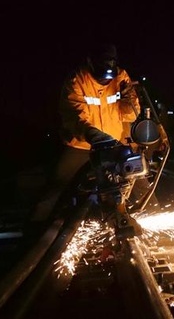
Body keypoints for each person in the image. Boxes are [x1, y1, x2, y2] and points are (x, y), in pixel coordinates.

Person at [29, 43, 141, 223]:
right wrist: (93, 135)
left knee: (137, 176)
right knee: (58, 186)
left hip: (113, 143)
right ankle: (37, 228)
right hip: (83, 144)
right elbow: (74, 118)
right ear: (90, 62)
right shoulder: (77, 81)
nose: (105, 80)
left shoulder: (121, 77)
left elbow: (130, 115)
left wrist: (130, 101)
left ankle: (154, 218)